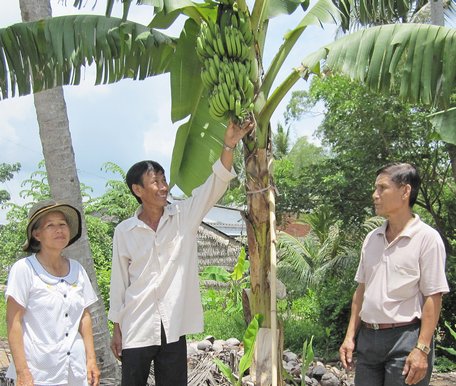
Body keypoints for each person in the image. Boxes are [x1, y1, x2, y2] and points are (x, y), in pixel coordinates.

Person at [108, 118, 255, 386]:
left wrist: (229, 145)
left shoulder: (184, 216)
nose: (164, 187)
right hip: (136, 326)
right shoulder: (124, 231)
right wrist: (116, 328)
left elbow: (215, 185)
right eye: (155, 182)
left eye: (164, 180)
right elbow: (119, 282)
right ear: (137, 190)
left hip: (173, 327)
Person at [339, 163, 450, 386]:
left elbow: (433, 297)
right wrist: (350, 336)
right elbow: (361, 290)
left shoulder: (427, 239)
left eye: (382, 188)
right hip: (368, 340)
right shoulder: (372, 238)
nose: (375, 195)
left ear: (405, 191)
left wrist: (422, 348)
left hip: (405, 340)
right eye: (375, 188)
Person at [6, 199, 100, 386]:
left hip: (76, 368)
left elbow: (84, 317)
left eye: (62, 224)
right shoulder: (24, 269)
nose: (59, 230)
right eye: (51, 225)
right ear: (37, 234)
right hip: (39, 370)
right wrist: (22, 372)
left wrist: (91, 360)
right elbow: (13, 321)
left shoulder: (77, 269)